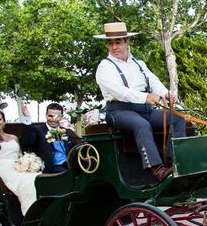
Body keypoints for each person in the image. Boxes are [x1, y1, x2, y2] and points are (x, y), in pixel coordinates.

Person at [94, 21, 185, 182]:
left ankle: (176, 163)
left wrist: (166, 93)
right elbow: (120, 92)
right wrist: (145, 97)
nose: (114, 47)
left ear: (127, 42)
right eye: (110, 43)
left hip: (144, 109)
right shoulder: (105, 67)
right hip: (118, 110)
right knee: (141, 125)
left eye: (118, 42)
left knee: (177, 117)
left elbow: (153, 81)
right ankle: (156, 169)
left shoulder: (138, 63)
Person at [21, 103, 78, 173]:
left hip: (70, 165)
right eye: (50, 116)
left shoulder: (67, 132)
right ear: (46, 115)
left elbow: (75, 150)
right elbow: (28, 142)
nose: (53, 119)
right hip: (53, 167)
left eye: (57, 117)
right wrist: (27, 117)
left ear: (61, 117)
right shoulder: (38, 130)